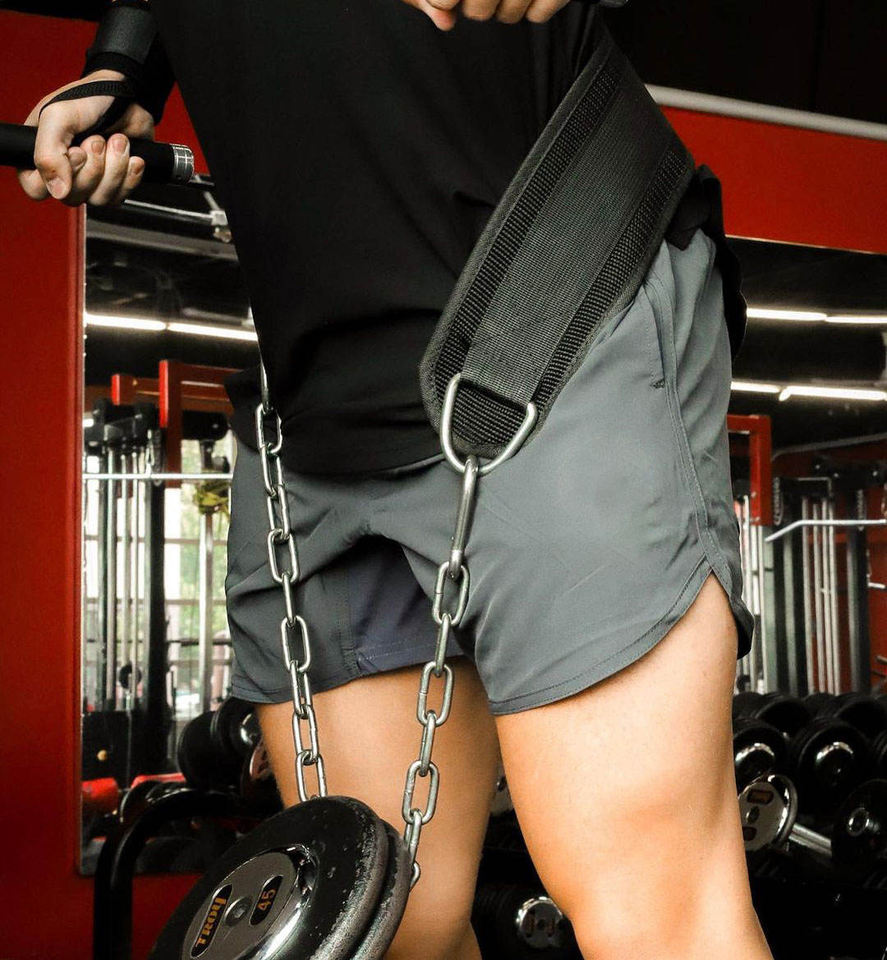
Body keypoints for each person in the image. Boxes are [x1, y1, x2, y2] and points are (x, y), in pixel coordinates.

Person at [19, 1, 773, 958]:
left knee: (655, 915)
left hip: (550, 302)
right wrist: (125, 64)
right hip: (316, 386)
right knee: (384, 925)